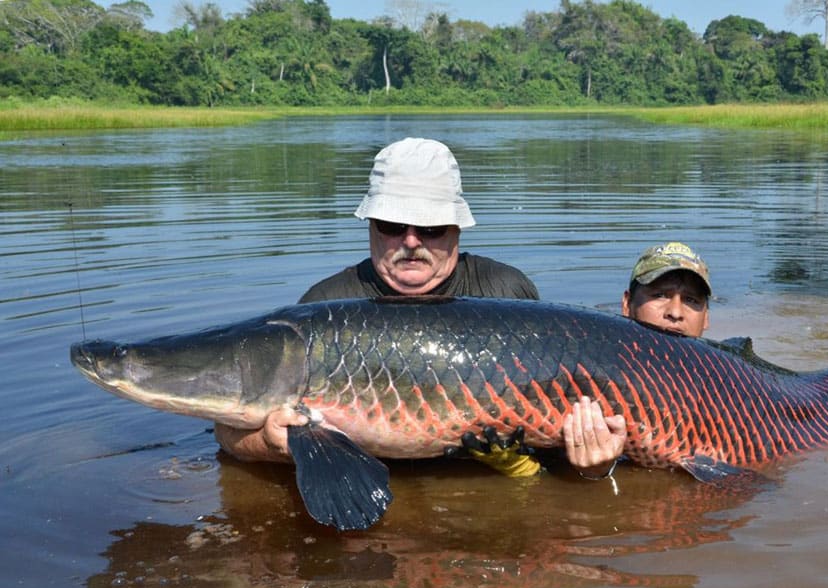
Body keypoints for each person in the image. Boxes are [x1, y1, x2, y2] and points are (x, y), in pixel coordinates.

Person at [214, 137, 540, 464]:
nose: (411, 241)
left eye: (432, 227)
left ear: (457, 227)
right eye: (392, 225)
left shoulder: (505, 292)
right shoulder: (324, 309)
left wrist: (592, 465)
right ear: (371, 225)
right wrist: (268, 442)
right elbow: (227, 434)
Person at [563, 241, 712, 480]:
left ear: (706, 318)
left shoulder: (724, 385)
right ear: (627, 304)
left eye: (691, 300)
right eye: (660, 295)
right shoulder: (592, 374)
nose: (675, 312)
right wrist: (595, 471)